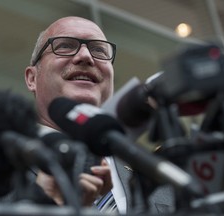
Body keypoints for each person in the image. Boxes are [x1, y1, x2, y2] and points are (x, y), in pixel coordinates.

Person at [24, 16, 174, 214]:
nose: (86, 56)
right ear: (32, 78)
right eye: (66, 46)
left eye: (99, 50)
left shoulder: (163, 184)